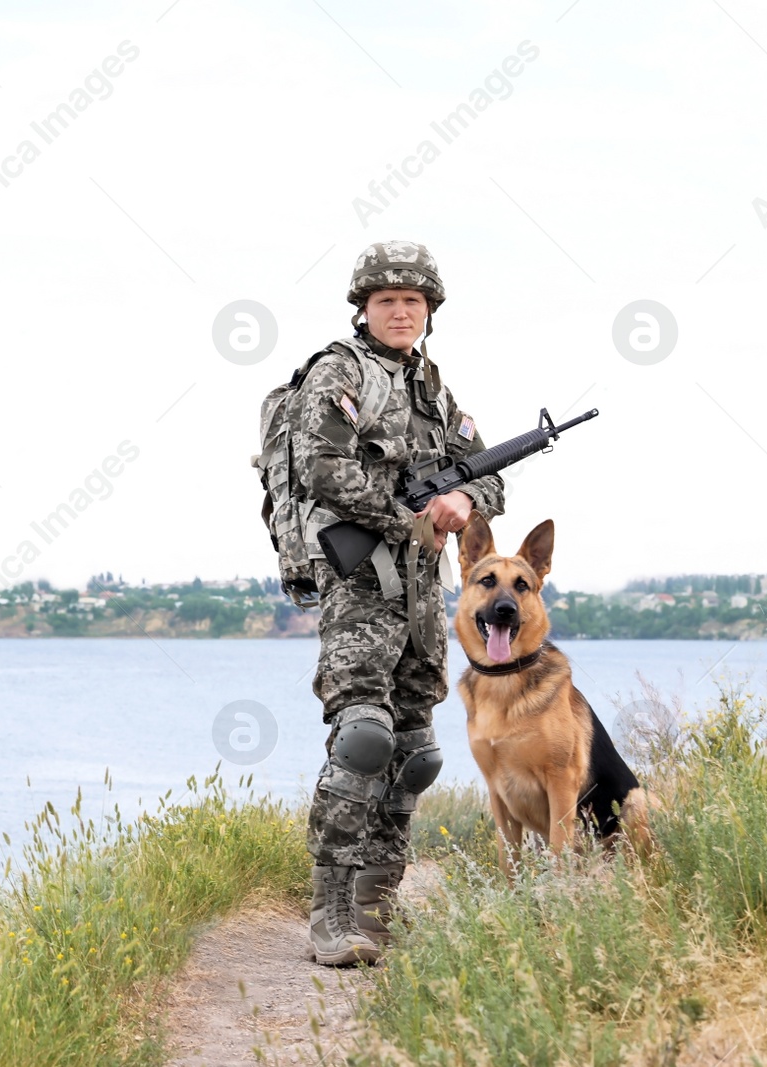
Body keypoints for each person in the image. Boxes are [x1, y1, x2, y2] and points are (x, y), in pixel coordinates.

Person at [296, 241, 505, 965]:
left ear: (429, 312)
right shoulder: (339, 372)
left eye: (413, 302)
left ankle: (377, 911)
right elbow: (322, 471)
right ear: (364, 306)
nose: (400, 311)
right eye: (386, 300)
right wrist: (409, 512)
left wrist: (460, 497)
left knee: (414, 752)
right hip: (360, 590)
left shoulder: (433, 390)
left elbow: (491, 482)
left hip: (421, 593)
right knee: (363, 741)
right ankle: (328, 915)